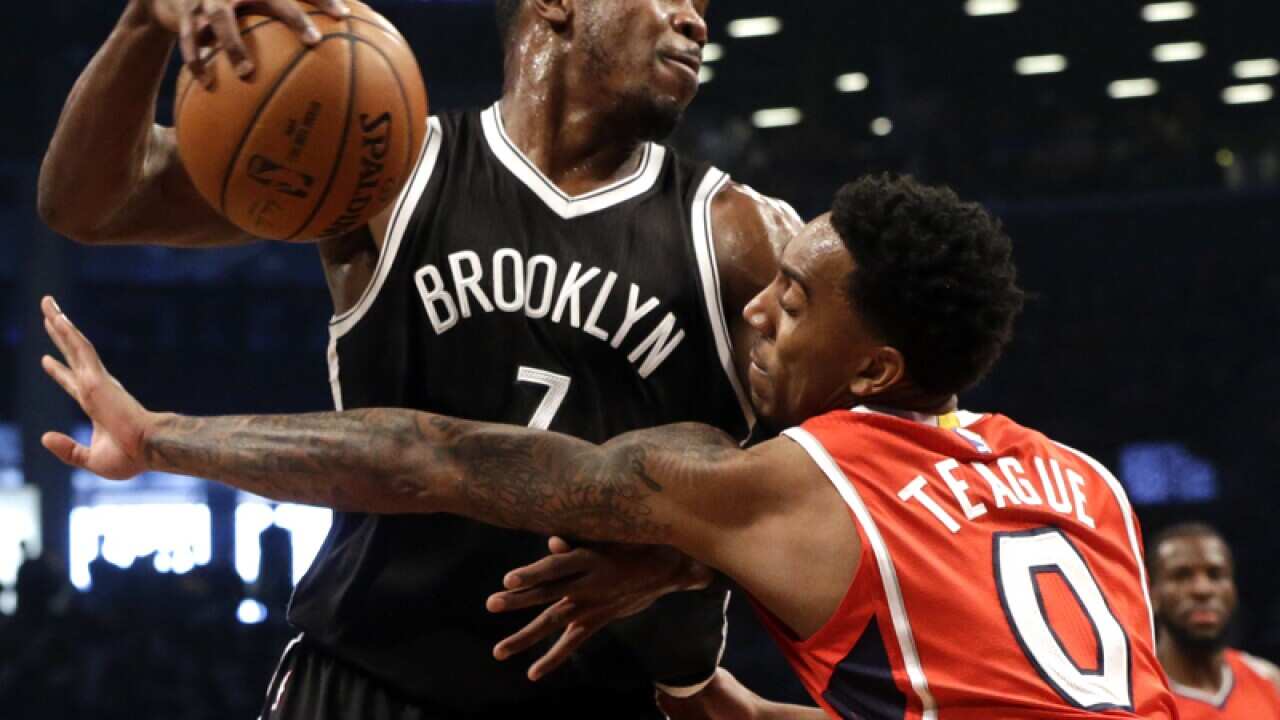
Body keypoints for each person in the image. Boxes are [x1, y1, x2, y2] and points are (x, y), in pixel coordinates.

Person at [40, 174, 1179, 718]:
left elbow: (430, 456)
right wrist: (717, 687)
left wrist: (161, 439)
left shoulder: (796, 481)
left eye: (793, 296)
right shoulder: (1079, 484)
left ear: (875, 369)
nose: (757, 309)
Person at [37, 0, 801, 716]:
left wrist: (684, 561)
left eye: (704, 6)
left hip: (594, 692)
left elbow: (856, 478)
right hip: (367, 676)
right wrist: (143, 23)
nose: (693, 21)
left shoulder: (743, 238)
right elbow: (91, 203)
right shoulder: (384, 169)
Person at [1149, 522, 1280, 718]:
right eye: (1181, 576)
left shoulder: (1269, 680)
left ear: (1233, 590)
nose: (1202, 590)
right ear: (1152, 593)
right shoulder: (1135, 696)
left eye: (1215, 575)